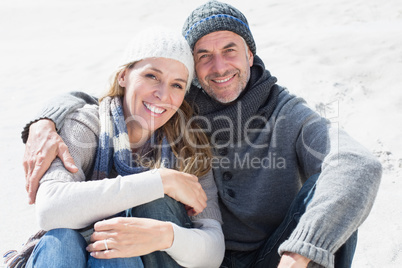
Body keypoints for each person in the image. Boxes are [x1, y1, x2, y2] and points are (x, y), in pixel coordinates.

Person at [20, 1, 382, 267]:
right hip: (192, 258)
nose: (219, 66)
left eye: (230, 50)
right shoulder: (180, 105)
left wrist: (302, 250)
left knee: (336, 195)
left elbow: (356, 162)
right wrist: (46, 119)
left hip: (277, 255)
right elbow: (113, 102)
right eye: (204, 55)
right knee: (144, 202)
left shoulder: (287, 112)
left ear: (250, 56)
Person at [7, 28, 225, 268]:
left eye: (177, 85)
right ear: (123, 76)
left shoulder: (189, 149)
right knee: (61, 240)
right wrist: (160, 182)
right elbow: (50, 210)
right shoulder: (87, 125)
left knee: (120, 246)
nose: (163, 94)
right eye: (152, 76)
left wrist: (165, 236)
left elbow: (213, 251)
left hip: (145, 261)